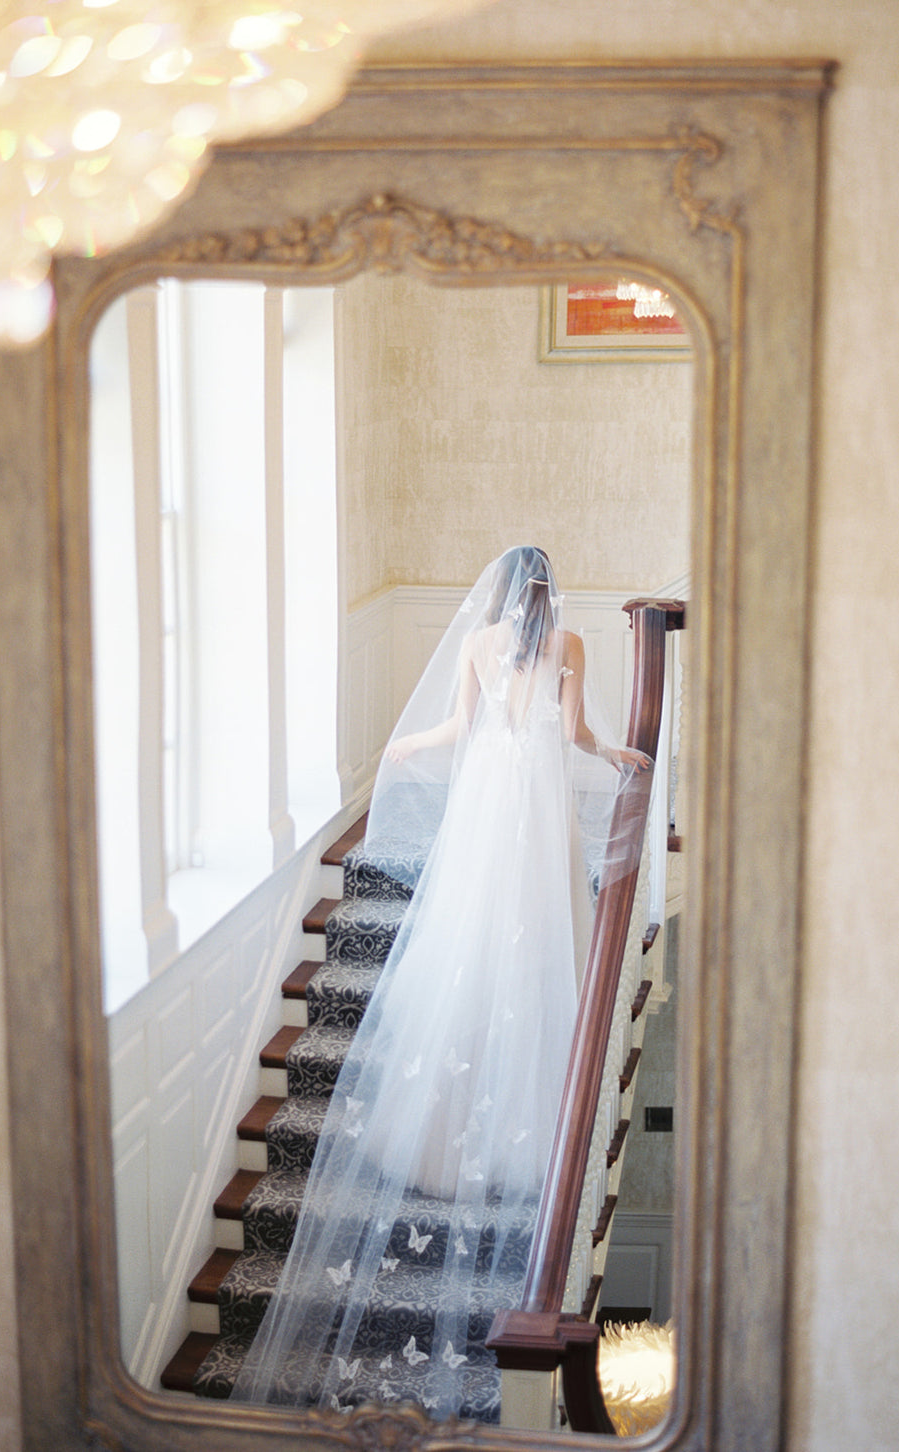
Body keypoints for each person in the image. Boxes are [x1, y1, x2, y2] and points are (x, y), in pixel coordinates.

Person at [231, 546, 647, 1418]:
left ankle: (447, 1133)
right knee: (537, 941)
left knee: (475, 945)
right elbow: (570, 738)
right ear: (551, 590)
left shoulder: (480, 644)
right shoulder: (568, 644)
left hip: (489, 799)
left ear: (499, 592)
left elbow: (459, 733)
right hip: (532, 801)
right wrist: (612, 753)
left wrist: (405, 743)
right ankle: (532, 1118)